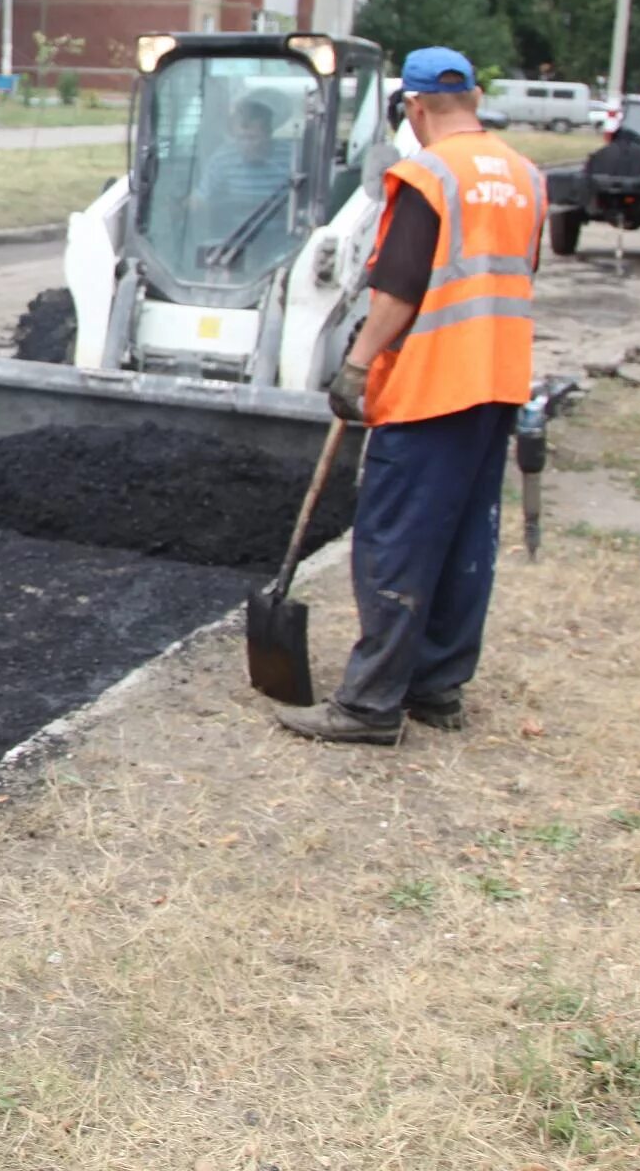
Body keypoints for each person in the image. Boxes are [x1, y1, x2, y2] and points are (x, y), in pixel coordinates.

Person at [281, 46, 546, 746]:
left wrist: (359, 366)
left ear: (416, 108)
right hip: (497, 385)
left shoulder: (428, 175)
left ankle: (369, 707)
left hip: (433, 387)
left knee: (396, 542)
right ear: (478, 96)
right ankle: (438, 688)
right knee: (465, 539)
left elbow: (400, 287)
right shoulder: (526, 177)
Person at [190, 94, 290, 251]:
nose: (246, 145)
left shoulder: (290, 156)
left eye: (252, 138)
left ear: (269, 134)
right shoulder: (223, 159)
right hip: (237, 240)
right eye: (241, 138)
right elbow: (202, 198)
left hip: (283, 239)